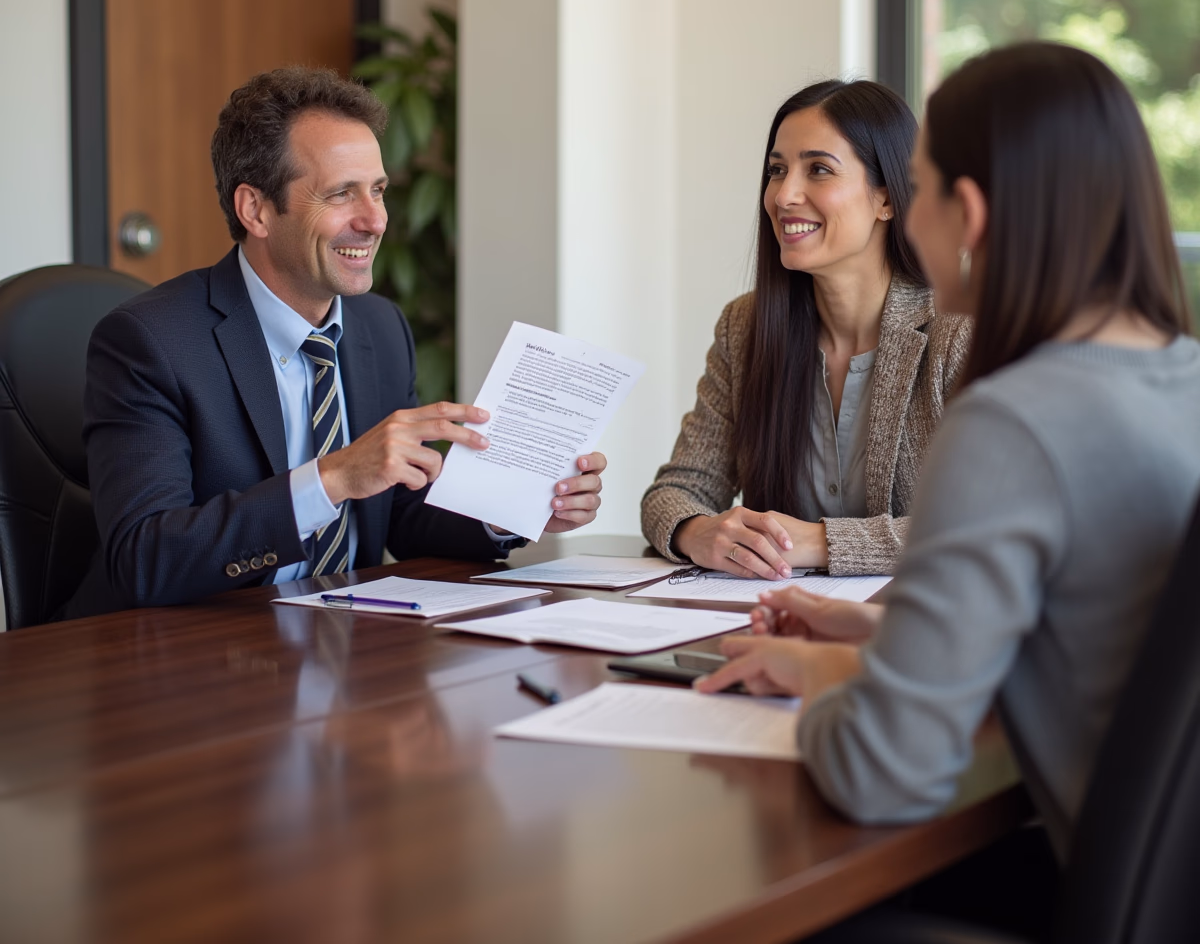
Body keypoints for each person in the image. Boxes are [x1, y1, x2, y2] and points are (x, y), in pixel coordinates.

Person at [698, 43, 1200, 873]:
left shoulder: (1013, 424)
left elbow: (884, 771)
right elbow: (1101, 634)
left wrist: (817, 676)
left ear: (966, 213)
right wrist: (878, 634)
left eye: (919, 186)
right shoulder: (1183, 380)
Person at [63, 67, 605, 617]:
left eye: (378, 191)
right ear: (255, 210)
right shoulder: (150, 341)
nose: (375, 221)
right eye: (342, 194)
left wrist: (509, 513)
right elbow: (144, 560)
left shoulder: (380, 327)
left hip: (341, 634)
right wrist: (334, 478)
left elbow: (399, 514)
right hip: (194, 645)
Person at [641, 80, 970, 580]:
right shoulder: (744, 327)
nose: (784, 195)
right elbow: (677, 489)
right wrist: (696, 530)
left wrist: (818, 542)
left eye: (818, 169)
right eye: (777, 171)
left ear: (886, 198)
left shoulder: (961, 329)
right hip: (770, 617)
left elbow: (993, 521)